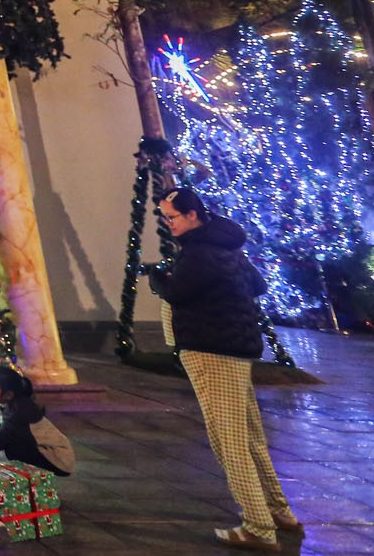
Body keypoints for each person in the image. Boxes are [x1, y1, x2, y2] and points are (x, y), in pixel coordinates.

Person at [150, 187, 302, 551]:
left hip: (211, 350)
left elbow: (178, 293)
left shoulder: (199, 253)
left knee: (228, 441)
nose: (168, 224)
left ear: (192, 215)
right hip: (236, 346)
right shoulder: (226, 246)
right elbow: (258, 284)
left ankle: (258, 527)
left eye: (171, 217)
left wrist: (158, 279)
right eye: (165, 218)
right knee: (250, 436)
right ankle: (280, 513)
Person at [0, 365, 74, 475]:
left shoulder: (20, 411)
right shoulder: (7, 404)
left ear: (8, 394)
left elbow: (0, 438)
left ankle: (24, 480)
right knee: (7, 444)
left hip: (56, 458)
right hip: (41, 452)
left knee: (11, 446)